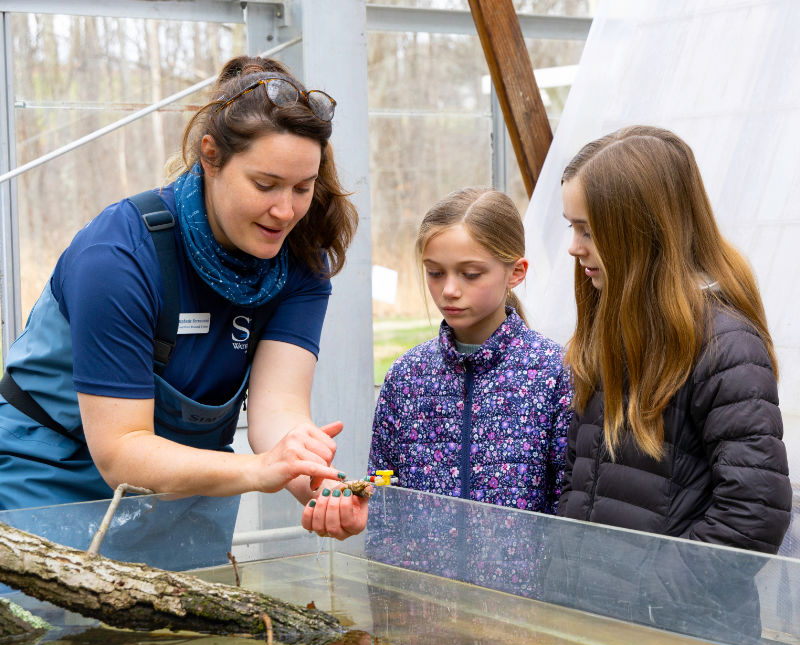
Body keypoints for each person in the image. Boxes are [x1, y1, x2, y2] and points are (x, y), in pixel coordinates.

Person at [0, 56, 367, 543]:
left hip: (186, 489)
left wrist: (313, 481)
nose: (286, 211)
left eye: (303, 187)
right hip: (52, 484)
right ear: (210, 156)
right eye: (265, 185)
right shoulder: (117, 256)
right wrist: (261, 470)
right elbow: (122, 454)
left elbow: (278, 408)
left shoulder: (299, 258)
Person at [558, 124, 791, 554]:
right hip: (591, 612)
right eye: (572, 227)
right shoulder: (609, 329)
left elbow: (753, 515)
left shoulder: (726, 348)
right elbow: (579, 478)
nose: (574, 247)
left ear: (639, 232)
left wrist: (652, 598)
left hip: (665, 619)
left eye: (588, 230)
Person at [369, 187, 572, 514]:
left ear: (516, 272)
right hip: (415, 568)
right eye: (435, 273)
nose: (449, 290)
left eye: (471, 274)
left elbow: (567, 509)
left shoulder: (554, 375)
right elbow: (383, 500)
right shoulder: (406, 378)